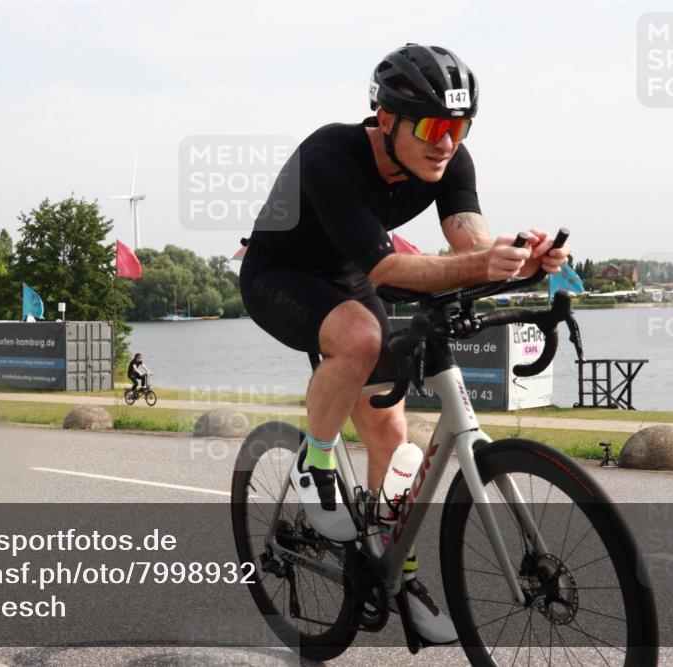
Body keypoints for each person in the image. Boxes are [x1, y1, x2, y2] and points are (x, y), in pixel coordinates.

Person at [238, 43, 569, 645]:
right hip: (278, 276)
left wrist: (521, 264)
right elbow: (389, 270)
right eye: (435, 126)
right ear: (387, 120)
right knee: (362, 336)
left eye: (460, 126)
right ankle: (314, 462)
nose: (447, 142)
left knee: (392, 436)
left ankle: (398, 574)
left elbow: (470, 245)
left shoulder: (451, 162)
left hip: (348, 280)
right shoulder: (331, 154)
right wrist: (479, 268)